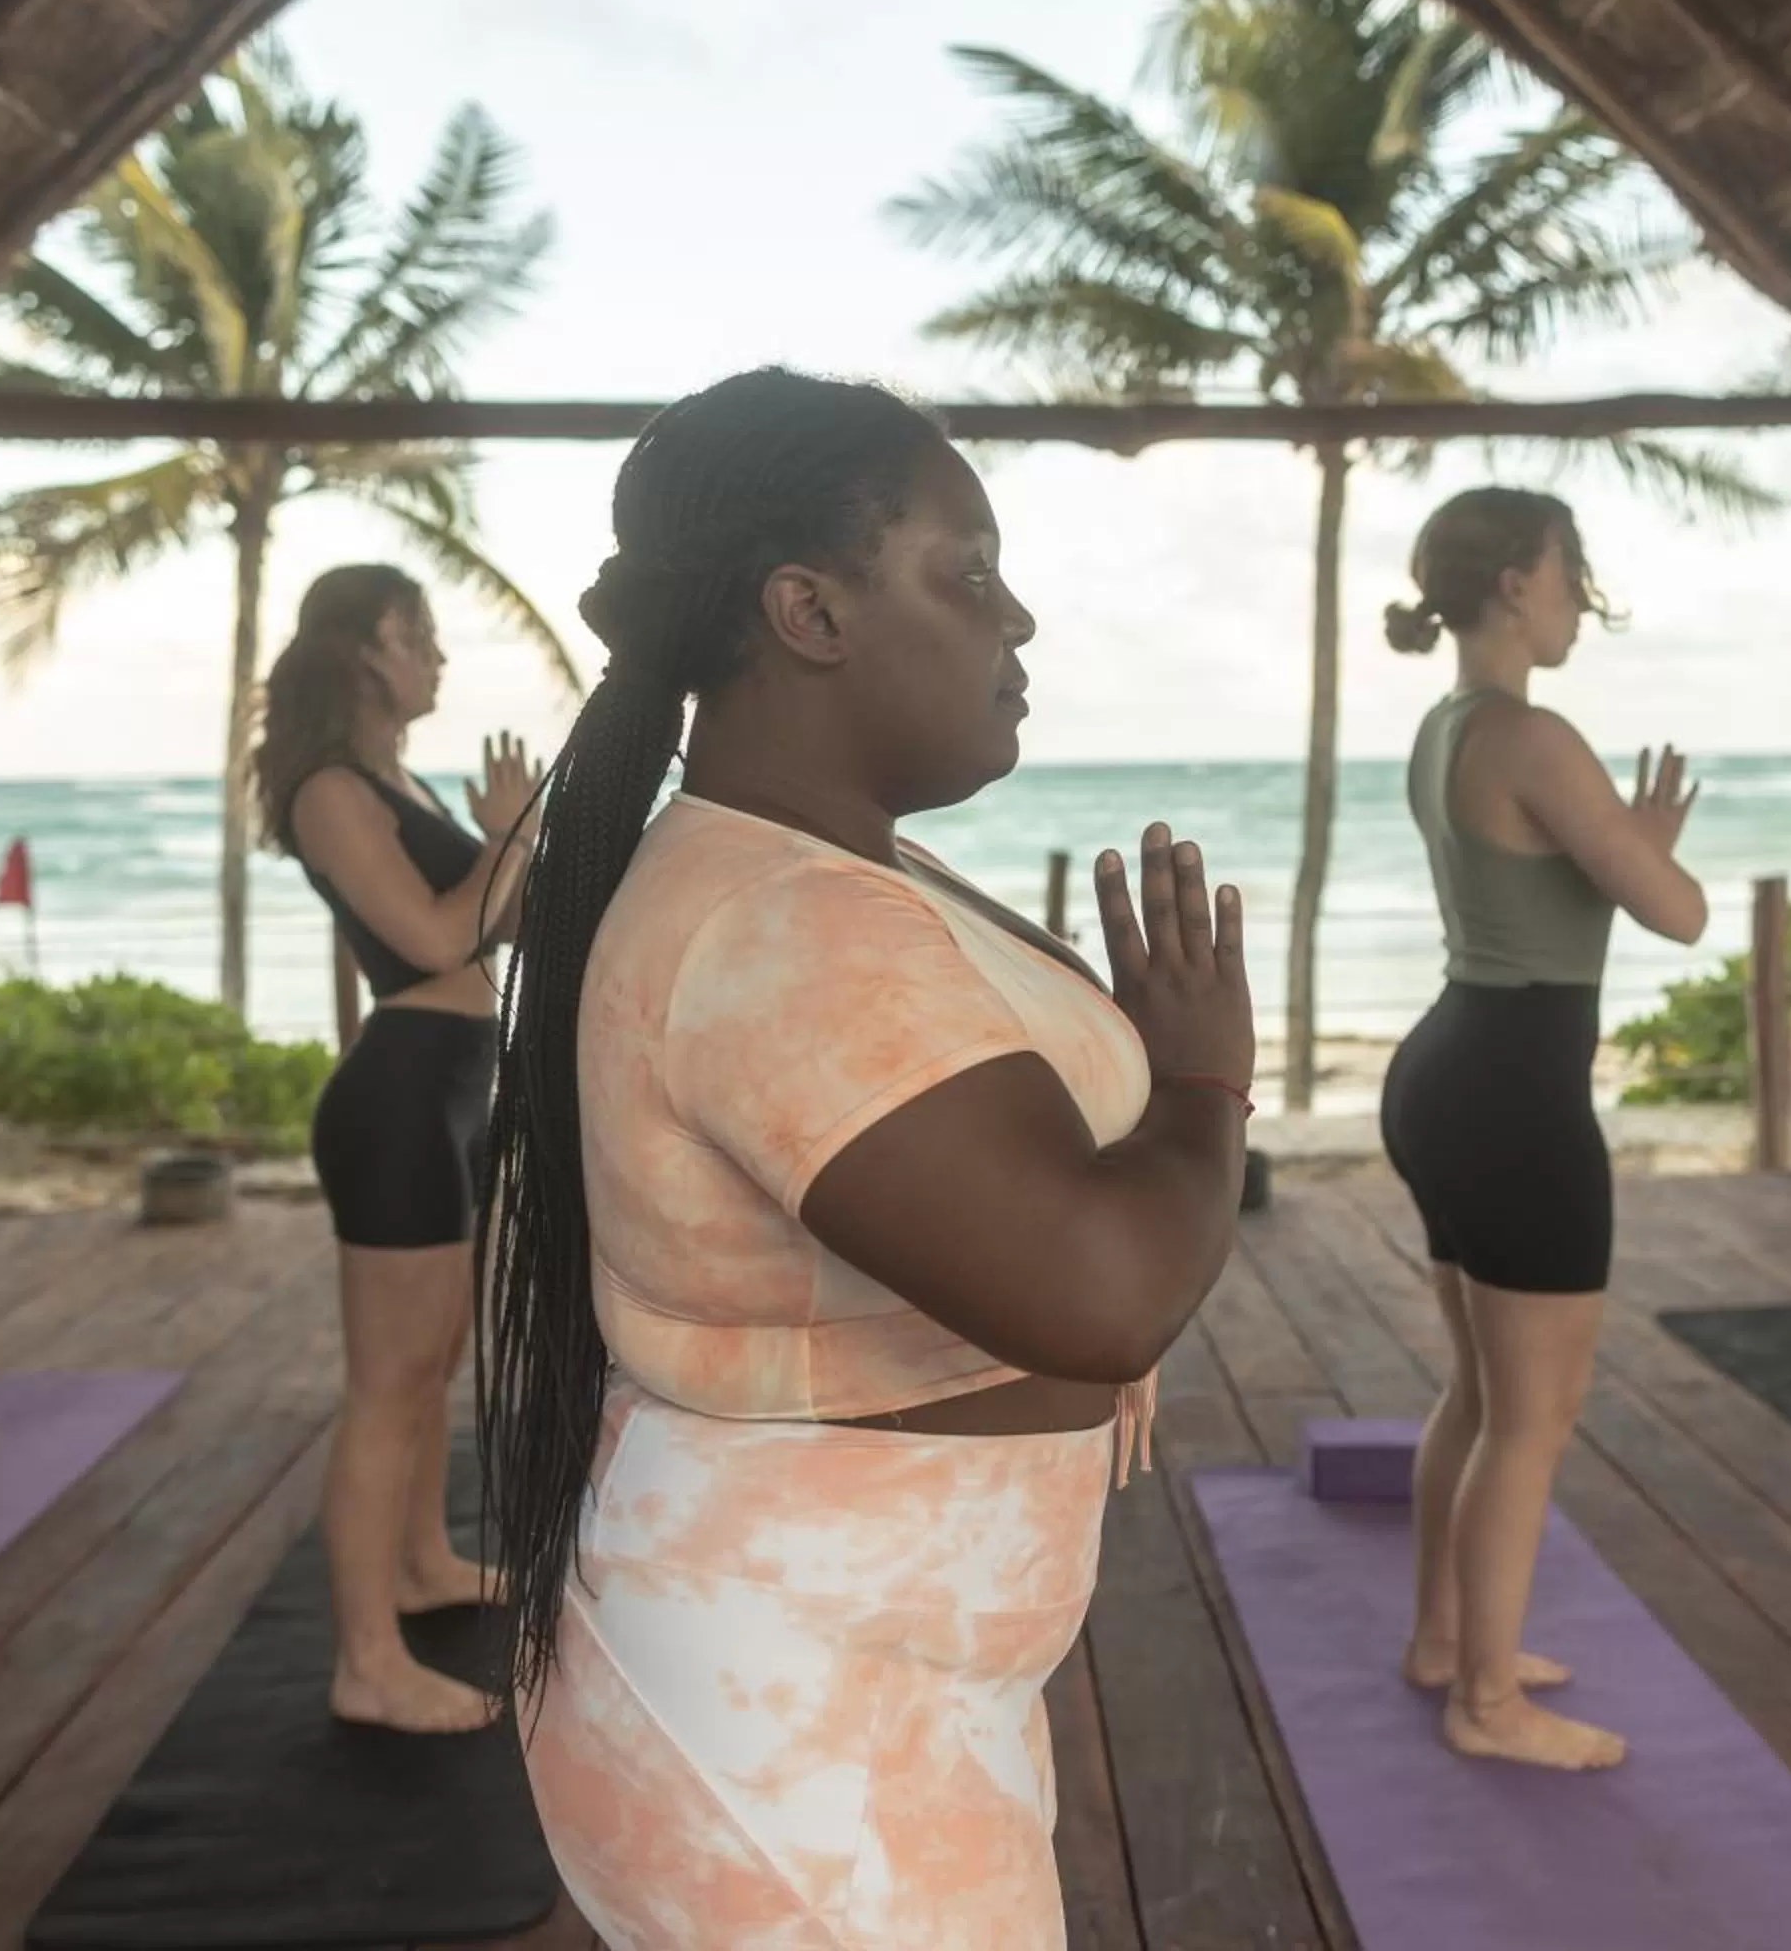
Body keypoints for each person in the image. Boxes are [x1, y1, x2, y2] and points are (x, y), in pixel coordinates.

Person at [471, 368, 1254, 1948]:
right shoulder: (788, 921)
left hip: (857, 1681)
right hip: (789, 1711)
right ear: (809, 613)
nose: (1016, 619)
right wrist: (1202, 1081)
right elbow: (1101, 1296)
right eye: (970, 573)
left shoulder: (831, 868)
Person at [1376, 489, 1706, 1773]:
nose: (1581, 597)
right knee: (1532, 1417)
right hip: (1515, 1093)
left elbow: (1555, 887)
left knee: (1480, 1389)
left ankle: (1445, 1642)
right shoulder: (1531, 733)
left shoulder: (1447, 724)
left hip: (1451, 1069)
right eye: (1570, 572)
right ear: (1517, 581)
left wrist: (1626, 845)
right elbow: (1679, 910)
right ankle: (1490, 1701)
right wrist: (1647, 847)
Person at [254, 563, 541, 1733]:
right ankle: (367, 1663)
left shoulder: (396, 780)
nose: (437, 655)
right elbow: (428, 937)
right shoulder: (330, 791)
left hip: (455, 1086)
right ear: (365, 651)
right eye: (418, 634)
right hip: (400, 1097)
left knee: (429, 1364)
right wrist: (506, 836)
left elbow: (500, 919)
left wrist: (518, 847)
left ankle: (423, 1562)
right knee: (386, 1385)